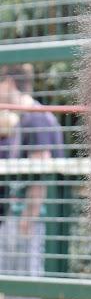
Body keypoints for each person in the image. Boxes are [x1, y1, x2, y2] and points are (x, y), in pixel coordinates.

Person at [0, 64, 64, 275]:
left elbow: (40, 175)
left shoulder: (36, 118)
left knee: (25, 285)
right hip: (20, 217)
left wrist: (28, 219)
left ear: (8, 83)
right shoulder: (22, 119)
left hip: (30, 220)